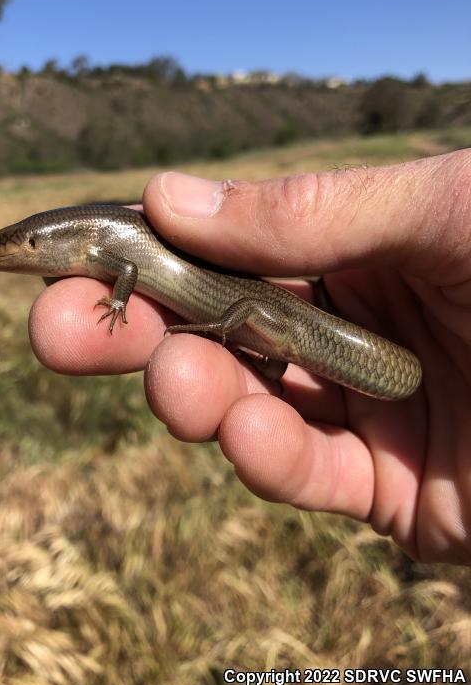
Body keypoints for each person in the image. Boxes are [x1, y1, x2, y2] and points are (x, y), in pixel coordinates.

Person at [28, 148, 471, 565]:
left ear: (31, 242)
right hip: (287, 336)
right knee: (237, 382)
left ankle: (238, 339)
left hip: (279, 324)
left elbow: (256, 313)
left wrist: (221, 327)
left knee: (251, 337)